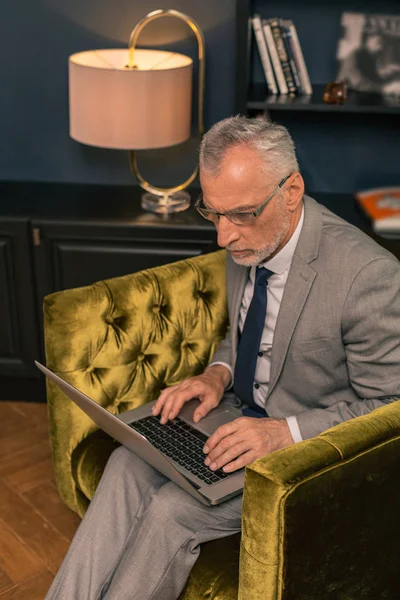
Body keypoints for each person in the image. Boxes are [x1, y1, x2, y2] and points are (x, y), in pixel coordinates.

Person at [45, 116, 400, 600]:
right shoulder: (253, 240)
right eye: (212, 214)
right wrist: (218, 373)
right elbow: (246, 332)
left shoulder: (366, 276)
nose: (223, 238)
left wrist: (284, 433)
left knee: (173, 510)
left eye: (241, 214)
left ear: (291, 190)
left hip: (303, 459)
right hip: (234, 418)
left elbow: (390, 406)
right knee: (127, 463)